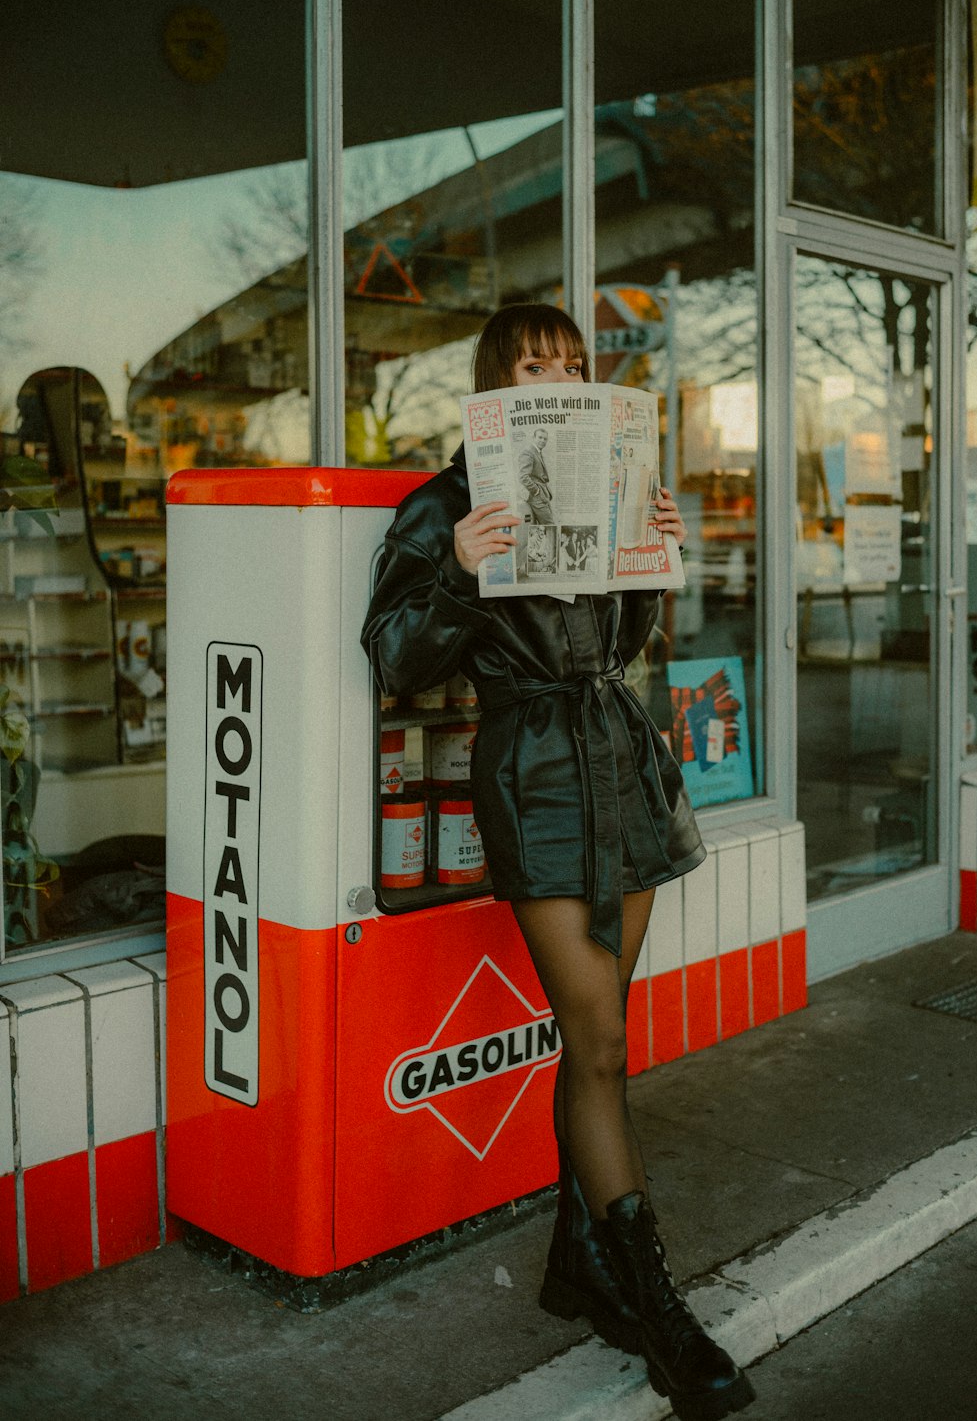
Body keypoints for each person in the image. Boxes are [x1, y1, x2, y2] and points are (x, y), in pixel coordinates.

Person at [361, 303, 754, 1421]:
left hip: (618, 756)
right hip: (531, 766)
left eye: (576, 366)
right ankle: (661, 1319)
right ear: (496, 383)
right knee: (599, 1038)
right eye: (541, 364)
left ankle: (580, 1270)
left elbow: (620, 648)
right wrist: (461, 570)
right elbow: (392, 659)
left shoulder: (607, 478)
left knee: (599, 1049)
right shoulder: (444, 505)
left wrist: (651, 553)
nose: (563, 377)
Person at [518, 425, 555, 524]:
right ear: (533, 438)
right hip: (537, 497)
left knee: (544, 526)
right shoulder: (528, 452)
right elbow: (523, 477)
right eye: (540, 437)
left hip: (542, 495)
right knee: (549, 525)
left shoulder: (537, 452)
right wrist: (536, 491)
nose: (542, 440)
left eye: (545, 439)